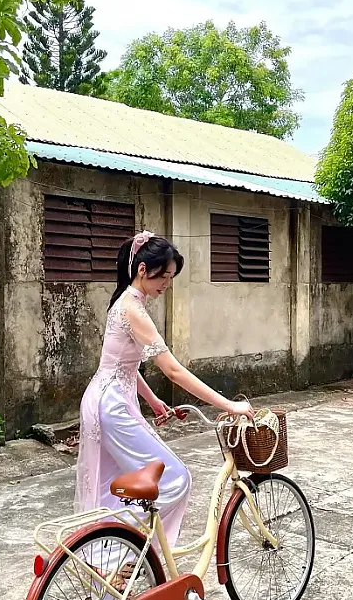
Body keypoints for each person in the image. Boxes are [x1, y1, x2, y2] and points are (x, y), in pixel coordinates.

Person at [75, 230, 254, 548]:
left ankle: (115, 556)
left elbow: (123, 364)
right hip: (112, 405)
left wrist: (154, 400)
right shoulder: (133, 310)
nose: (167, 284)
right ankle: (119, 549)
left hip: (105, 399)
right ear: (143, 269)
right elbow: (172, 370)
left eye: (171, 278)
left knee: (116, 484)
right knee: (174, 479)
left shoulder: (124, 302)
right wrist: (229, 405)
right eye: (164, 276)